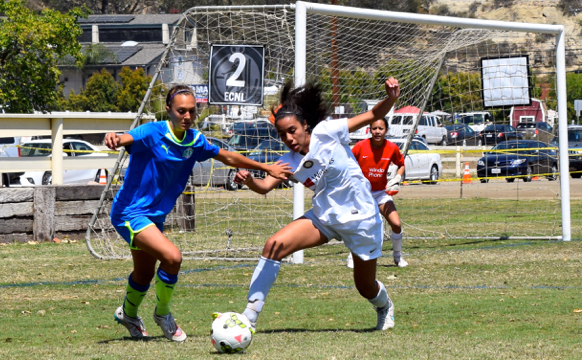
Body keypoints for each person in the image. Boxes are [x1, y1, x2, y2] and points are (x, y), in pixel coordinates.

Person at [104, 85, 293, 341]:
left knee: (144, 274)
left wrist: (264, 166)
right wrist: (114, 137)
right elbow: (127, 138)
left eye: (192, 111)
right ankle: (162, 314)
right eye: (181, 111)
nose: (187, 116)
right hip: (129, 212)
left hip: (154, 217)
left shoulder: (194, 140)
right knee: (173, 257)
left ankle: (128, 314)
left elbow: (227, 156)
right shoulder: (153, 132)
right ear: (169, 109)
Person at [234, 78, 400, 332]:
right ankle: (249, 316)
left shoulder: (327, 131)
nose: (288, 138)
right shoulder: (289, 161)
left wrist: (391, 98)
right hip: (324, 218)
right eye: (282, 134)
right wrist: (249, 181)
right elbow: (265, 186)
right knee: (274, 245)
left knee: (365, 287)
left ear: (305, 125)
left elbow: (372, 115)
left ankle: (384, 305)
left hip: (361, 219)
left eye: (292, 130)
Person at [346, 119, 408, 269]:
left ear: (386, 130)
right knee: (360, 226)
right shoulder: (360, 147)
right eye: (374, 128)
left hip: (380, 193)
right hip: (362, 194)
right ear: (370, 130)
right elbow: (347, 164)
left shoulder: (392, 148)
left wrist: (397, 178)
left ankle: (397, 257)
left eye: (381, 128)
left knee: (396, 224)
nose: (377, 131)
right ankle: (352, 257)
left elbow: (401, 164)